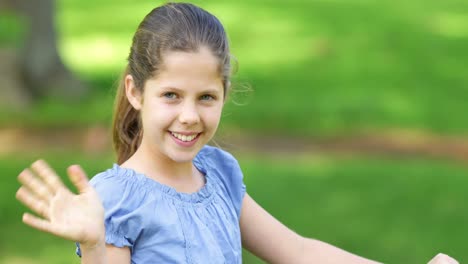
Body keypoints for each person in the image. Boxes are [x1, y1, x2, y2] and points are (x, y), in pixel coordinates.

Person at [15, 2, 458, 264]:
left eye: (205, 97)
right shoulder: (114, 200)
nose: (189, 115)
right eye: (171, 95)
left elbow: (299, 252)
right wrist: (94, 246)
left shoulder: (218, 174)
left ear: (225, 94)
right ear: (135, 91)